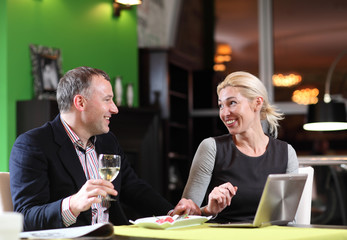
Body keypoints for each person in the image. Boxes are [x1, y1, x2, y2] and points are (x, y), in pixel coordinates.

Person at [9, 66, 199, 231]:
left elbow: (133, 188)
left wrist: (172, 212)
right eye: (107, 100)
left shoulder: (107, 141)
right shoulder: (32, 145)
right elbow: (26, 217)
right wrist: (73, 204)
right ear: (80, 102)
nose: (115, 109)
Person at [181, 71, 299, 223]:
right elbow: (184, 216)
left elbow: (289, 219)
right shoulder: (211, 148)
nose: (224, 113)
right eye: (221, 106)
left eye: (232, 103)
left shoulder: (286, 152)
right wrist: (209, 210)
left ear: (257, 103)